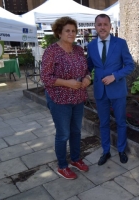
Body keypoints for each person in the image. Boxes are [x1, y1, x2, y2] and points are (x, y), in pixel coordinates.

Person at [40, 17, 91, 180]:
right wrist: (67, 83)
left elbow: (86, 70)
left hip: (77, 97)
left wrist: (87, 79)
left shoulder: (78, 49)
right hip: (59, 98)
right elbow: (45, 77)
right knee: (63, 134)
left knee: (76, 131)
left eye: (73, 31)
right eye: (67, 30)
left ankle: (75, 159)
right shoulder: (51, 51)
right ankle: (62, 166)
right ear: (60, 32)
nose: (71, 33)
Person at [87, 14, 135, 166]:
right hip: (100, 91)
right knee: (103, 123)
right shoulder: (91, 46)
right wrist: (85, 76)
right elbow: (88, 66)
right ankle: (105, 151)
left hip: (117, 89)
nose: (102, 27)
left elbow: (130, 66)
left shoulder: (120, 43)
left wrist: (115, 76)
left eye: (105, 24)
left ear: (110, 26)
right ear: (95, 26)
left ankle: (121, 150)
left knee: (121, 121)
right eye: (99, 24)